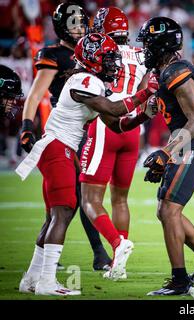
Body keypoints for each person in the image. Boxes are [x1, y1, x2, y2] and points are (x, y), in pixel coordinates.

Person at [84, 16, 194, 295]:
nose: (144, 49)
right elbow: (147, 112)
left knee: (169, 210)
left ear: (161, 45)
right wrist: (124, 122)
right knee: (164, 209)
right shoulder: (163, 73)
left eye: (148, 43)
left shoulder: (176, 71)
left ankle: (180, 279)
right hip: (187, 145)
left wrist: (165, 153)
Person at [16, 33, 154, 296]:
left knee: (52, 217)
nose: (114, 64)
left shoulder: (93, 82)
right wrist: (146, 92)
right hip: (58, 147)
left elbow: (117, 124)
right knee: (64, 212)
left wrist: (144, 114)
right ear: (93, 58)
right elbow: (114, 110)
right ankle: (46, 281)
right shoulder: (83, 79)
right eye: (109, 59)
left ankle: (32, 278)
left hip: (59, 148)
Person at [19, 2, 111, 271]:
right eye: (73, 23)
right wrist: (27, 125)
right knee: (67, 199)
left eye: (81, 22)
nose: (79, 28)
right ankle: (95, 253)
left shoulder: (94, 50)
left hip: (90, 125)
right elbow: (36, 93)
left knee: (76, 196)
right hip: (67, 129)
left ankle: (74, 255)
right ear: (61, 26)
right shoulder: (55, 55)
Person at [78, 7, 148, 280]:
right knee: (120, 199)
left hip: (106, 122)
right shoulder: (142, 55)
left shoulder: (102, 51)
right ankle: (119, 265)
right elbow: (145, 87)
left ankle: (118, 246)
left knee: (89, 198)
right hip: (132, 129)